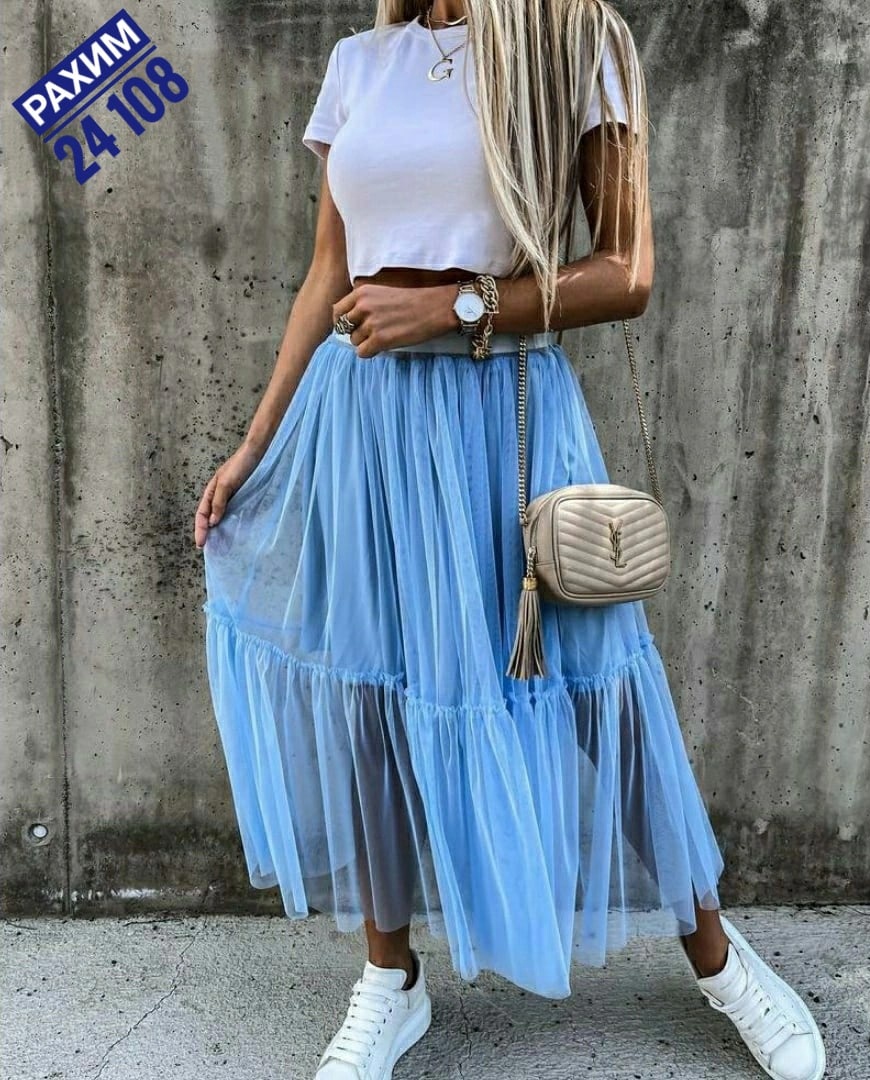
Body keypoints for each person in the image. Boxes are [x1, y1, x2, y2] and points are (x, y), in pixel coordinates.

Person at [194, 3, 826, 1078]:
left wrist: (454, 307)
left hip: (505, 419)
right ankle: (390, 980)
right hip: (363, 426)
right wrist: (255, 442)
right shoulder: (361, 62)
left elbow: (626, 271)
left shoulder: (575, 39)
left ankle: (720, 961)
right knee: (376, 690)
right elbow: (326, 273)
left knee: (596, 682)